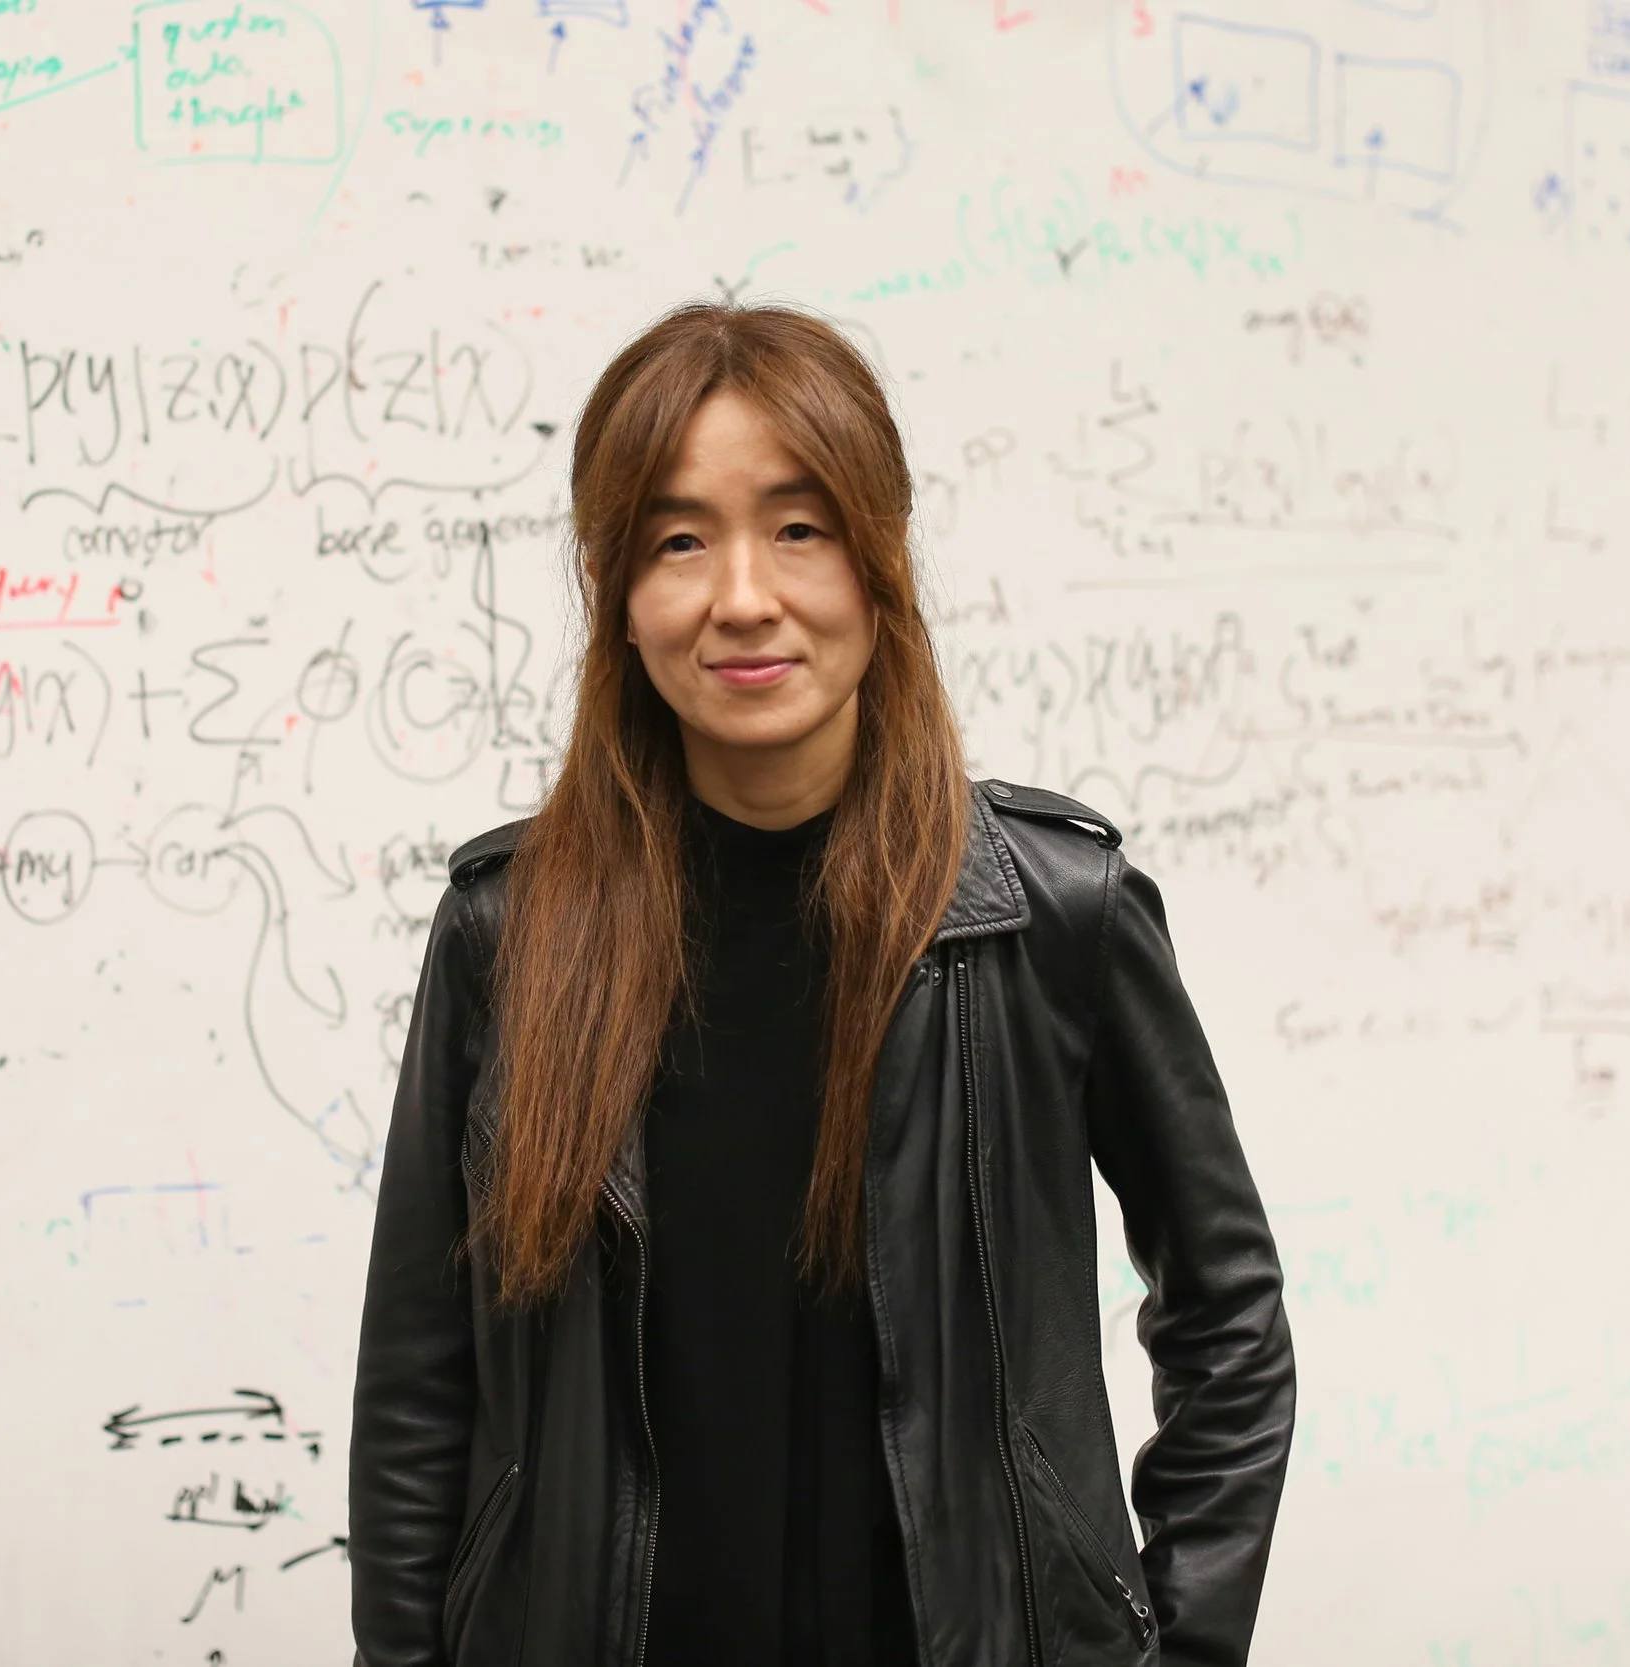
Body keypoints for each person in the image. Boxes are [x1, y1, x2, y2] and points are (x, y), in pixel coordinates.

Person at [350, 300, 1295, 1667]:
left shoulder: (1048, 916)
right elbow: (417, 1387)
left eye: (799, 528)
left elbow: (1230, 1320)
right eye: (679, 539)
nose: (744, 595)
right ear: (617, 591)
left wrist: (1179, 1647)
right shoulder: (510, 933)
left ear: (879, 560)